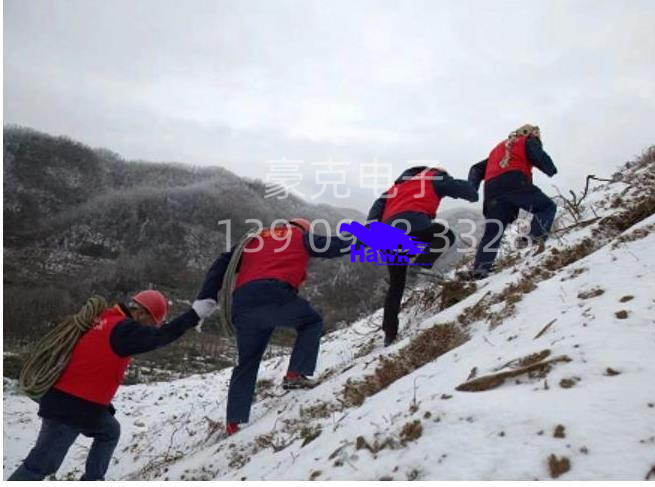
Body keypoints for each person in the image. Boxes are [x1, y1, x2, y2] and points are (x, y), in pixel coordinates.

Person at [9, 290, 217, 481]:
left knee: (109, 431)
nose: (149, 330)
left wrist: (101, 404)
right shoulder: (123, 329)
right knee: (40, 465)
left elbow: (91, 362)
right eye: (152, 324)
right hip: (69, 408)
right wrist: (193, 315)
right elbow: (160, 337)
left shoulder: (105, 319)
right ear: (143, 314)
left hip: (81, 405)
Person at [196, 218, 351, 435]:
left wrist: (205, 297)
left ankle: (233, 422)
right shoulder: (299, 236)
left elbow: (222, 262)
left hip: (242, 303)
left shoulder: (254, 240)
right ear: (303, 229)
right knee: (311, 321)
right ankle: (295, 375)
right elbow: (334, 245)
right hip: (273, 293)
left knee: (247, 361)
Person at [367, 166, 478, 346]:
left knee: (396, 285)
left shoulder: (393, 190)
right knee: (445, 236)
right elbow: (471, 194)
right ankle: (418, 267)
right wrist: (475, 178)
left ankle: (389, 334)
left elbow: (374, 215)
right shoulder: (434, 177)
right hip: (415, 226)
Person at [467, 124, 558, 279]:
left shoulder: (498, 151)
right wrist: (550, 169)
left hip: (492, 190)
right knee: (547, 207)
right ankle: (532, 238)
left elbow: (475, 168)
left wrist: (471, 189)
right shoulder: (527, 140)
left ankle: (480, 270)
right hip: (514, 181)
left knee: (493, 231)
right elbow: (538, 155)